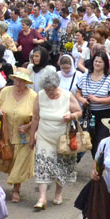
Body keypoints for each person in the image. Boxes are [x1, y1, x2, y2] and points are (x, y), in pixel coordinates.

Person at [29, 69, 83, 210]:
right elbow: (35, 117)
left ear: (56, 86)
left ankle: (58, 193)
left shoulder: (66, 95)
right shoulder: (40, 96)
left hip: (62, 139)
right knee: (42, 164)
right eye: (46, 90)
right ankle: (42, 198)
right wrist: (31, 136)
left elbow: (79, 112)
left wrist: (71, 116)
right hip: (44, 136)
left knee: (61, 165)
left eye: (51, 90)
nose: (48, 93)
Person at [0, 67, 36, 202]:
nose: (18, 83)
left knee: (20, 163)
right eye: (17, 79)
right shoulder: (5, 92)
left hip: (25, 136)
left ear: (27, 82)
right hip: (7, 134)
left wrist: (28, 126)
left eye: (22, 80)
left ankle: (16, 190)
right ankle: (13, 184)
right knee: (10, 162)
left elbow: (38, 117)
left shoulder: (33, 96)